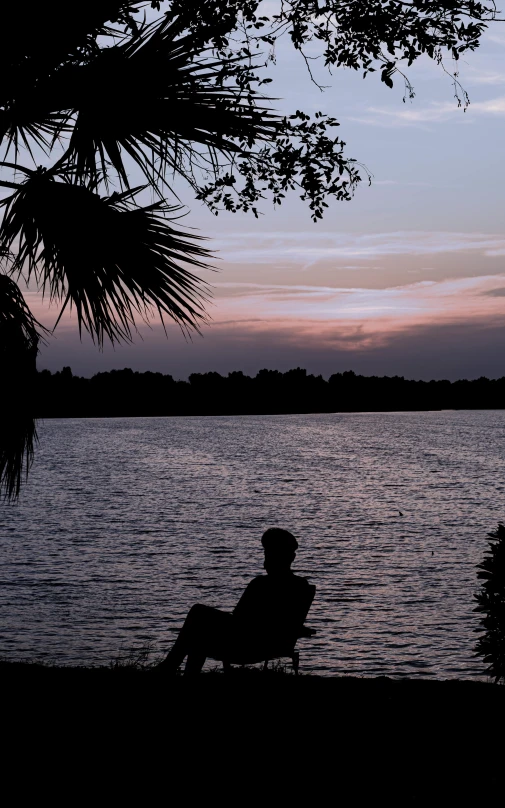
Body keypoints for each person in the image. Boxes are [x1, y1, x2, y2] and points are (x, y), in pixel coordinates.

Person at [155, 528, 311, 675]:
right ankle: (171, 667)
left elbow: (239, 618)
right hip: (275, 645)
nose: (266, 556)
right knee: (198, 633)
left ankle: (170, 666)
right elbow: (289, 623)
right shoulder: (301, 586)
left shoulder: (260, 584)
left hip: (249, 646)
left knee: (198, 616)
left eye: (268, 552)